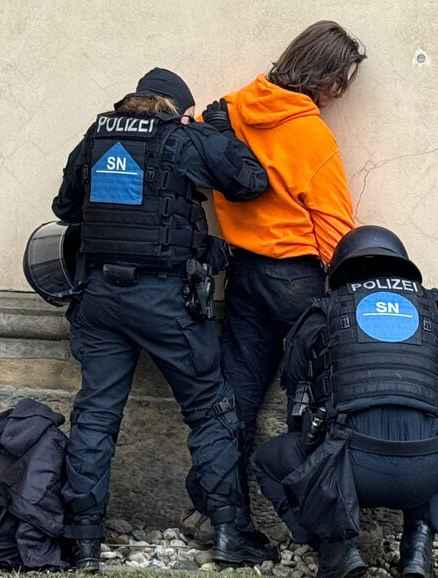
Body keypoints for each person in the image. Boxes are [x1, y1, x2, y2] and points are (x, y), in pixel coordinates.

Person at [51, 67, 279, 573]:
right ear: (177, 108)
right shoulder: (185, 139)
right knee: (210, 409)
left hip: (99, 299)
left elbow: (65, 208)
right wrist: (218, 131)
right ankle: (227, 532)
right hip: (164, 302)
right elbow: (251, 182)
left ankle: (83, 541)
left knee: (96, 414)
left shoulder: (97, 136)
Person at [183, 19, 367, 538]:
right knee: (310, 401)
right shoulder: (310, 134)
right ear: (323, 76)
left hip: (241, 273)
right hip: (298, 280)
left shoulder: (231, 109)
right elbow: (334, 226)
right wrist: (348, 291)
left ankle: (215, 513)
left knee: (235, 397)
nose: (340, 93)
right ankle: (315, 523)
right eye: (341, 81)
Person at [251, 226, 438, 578]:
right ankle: (417, 553)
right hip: (426, 473)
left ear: (340, 271)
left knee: (268, 460)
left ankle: (337, 552)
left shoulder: (322, 313)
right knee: (426, 430)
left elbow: (297, 405)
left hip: (351, 470)